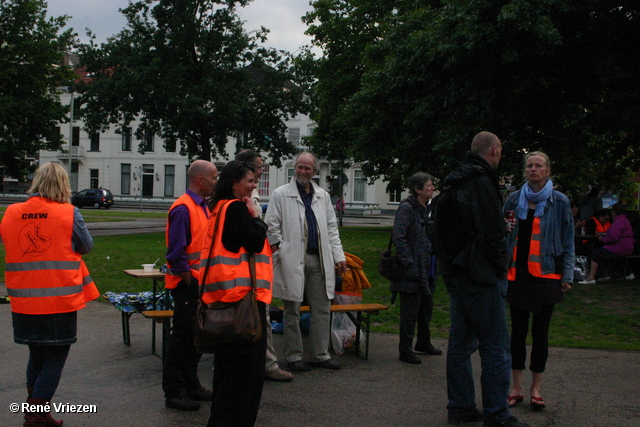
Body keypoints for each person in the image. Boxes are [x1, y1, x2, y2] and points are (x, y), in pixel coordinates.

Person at [434, 132, 528, 427]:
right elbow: (492, 234)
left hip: (457, 273)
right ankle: (497, 414)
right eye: (501, 151)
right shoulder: (483, 183)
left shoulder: (454, 182)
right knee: (495, 346)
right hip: (481, 275)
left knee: (460, 343)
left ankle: (460, 407)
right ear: (495, 150)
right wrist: (500, 268)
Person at [1, 162, 99, 427]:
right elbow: (86, 246)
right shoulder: (68, 213)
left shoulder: (11, 212)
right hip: (57, 300)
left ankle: (37, 413)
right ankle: (35, 416)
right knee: (54, 359)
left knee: (37, 356)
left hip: (23, 300)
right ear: (63, 185)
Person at [199, 160, 272, 426]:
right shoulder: (237, 209)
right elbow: (253, 241)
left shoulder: (217, 208)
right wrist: (257, 216)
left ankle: (220, 420)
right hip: (245, 301)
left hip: (223, 298)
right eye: (250, 181)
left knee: (227, 374)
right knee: (246, 377)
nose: (254, 186)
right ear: (234, 183)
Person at [503, 151, 575, 411]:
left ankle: (536, 389)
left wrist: (567, 275)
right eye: (530, 165)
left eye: (539, 165)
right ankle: (517, 387)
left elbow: (568, 241)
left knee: (540, 333)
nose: (534, 169)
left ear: (547, 170)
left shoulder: (560, 201)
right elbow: (505, 235)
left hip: (546, 275)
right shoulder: (513, 199)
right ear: (525, 170)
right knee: (518, 333)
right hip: (517, 275)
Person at [265, 152, 347, 372]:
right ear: (294, 168)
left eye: (307, 168)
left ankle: (320, 355)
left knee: (322, 308)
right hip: (292, 259)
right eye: (300, 167)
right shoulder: (280, 194)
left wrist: (339, 257)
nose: (303, 171)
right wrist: (282, 251)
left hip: (319, 259)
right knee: (292, 310)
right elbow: (271, 229)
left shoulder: (322, 196)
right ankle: (293, 356)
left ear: (315, 171)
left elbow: (331, 230)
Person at [163, 160, 218, 411]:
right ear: (200, 180)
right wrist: (190, 281)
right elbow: (176, 254)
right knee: (182, 339)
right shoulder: (184, 208)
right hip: (189, 285)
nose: (216, 182)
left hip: (198, 283)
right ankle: (174, 393)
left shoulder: (201, 207)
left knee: (194, 338)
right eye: (214, 177)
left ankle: (191, 386)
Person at [235, 149, 293, 383]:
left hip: (256, 271)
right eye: (259, 168)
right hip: (246, 273)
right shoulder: (240, 197)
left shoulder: (249, 193)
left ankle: (262, 363)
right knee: (253, 319)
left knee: (260, 319)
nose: (261, 172)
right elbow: (253, 232)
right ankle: (263, 365)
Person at [391, 172, 441, 364]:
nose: (432, 189)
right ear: (418, 189)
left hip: (427, 269)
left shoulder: (427, 208)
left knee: (425, 308)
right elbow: (399, 237)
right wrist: (409, 262)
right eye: (429, 186)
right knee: (409, 312)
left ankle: (423, 343)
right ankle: (405, 349)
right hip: (411, 271)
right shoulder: (407, 208)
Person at [579, 203, 635, 284]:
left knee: (596, 254)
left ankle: (591, 277)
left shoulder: (619, 221)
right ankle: (605, 275)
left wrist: (603, 239)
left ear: (615, 212)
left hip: (620, 247)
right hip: (627, 246)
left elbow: (613, 237)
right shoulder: (625, 220)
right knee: (603, 253)